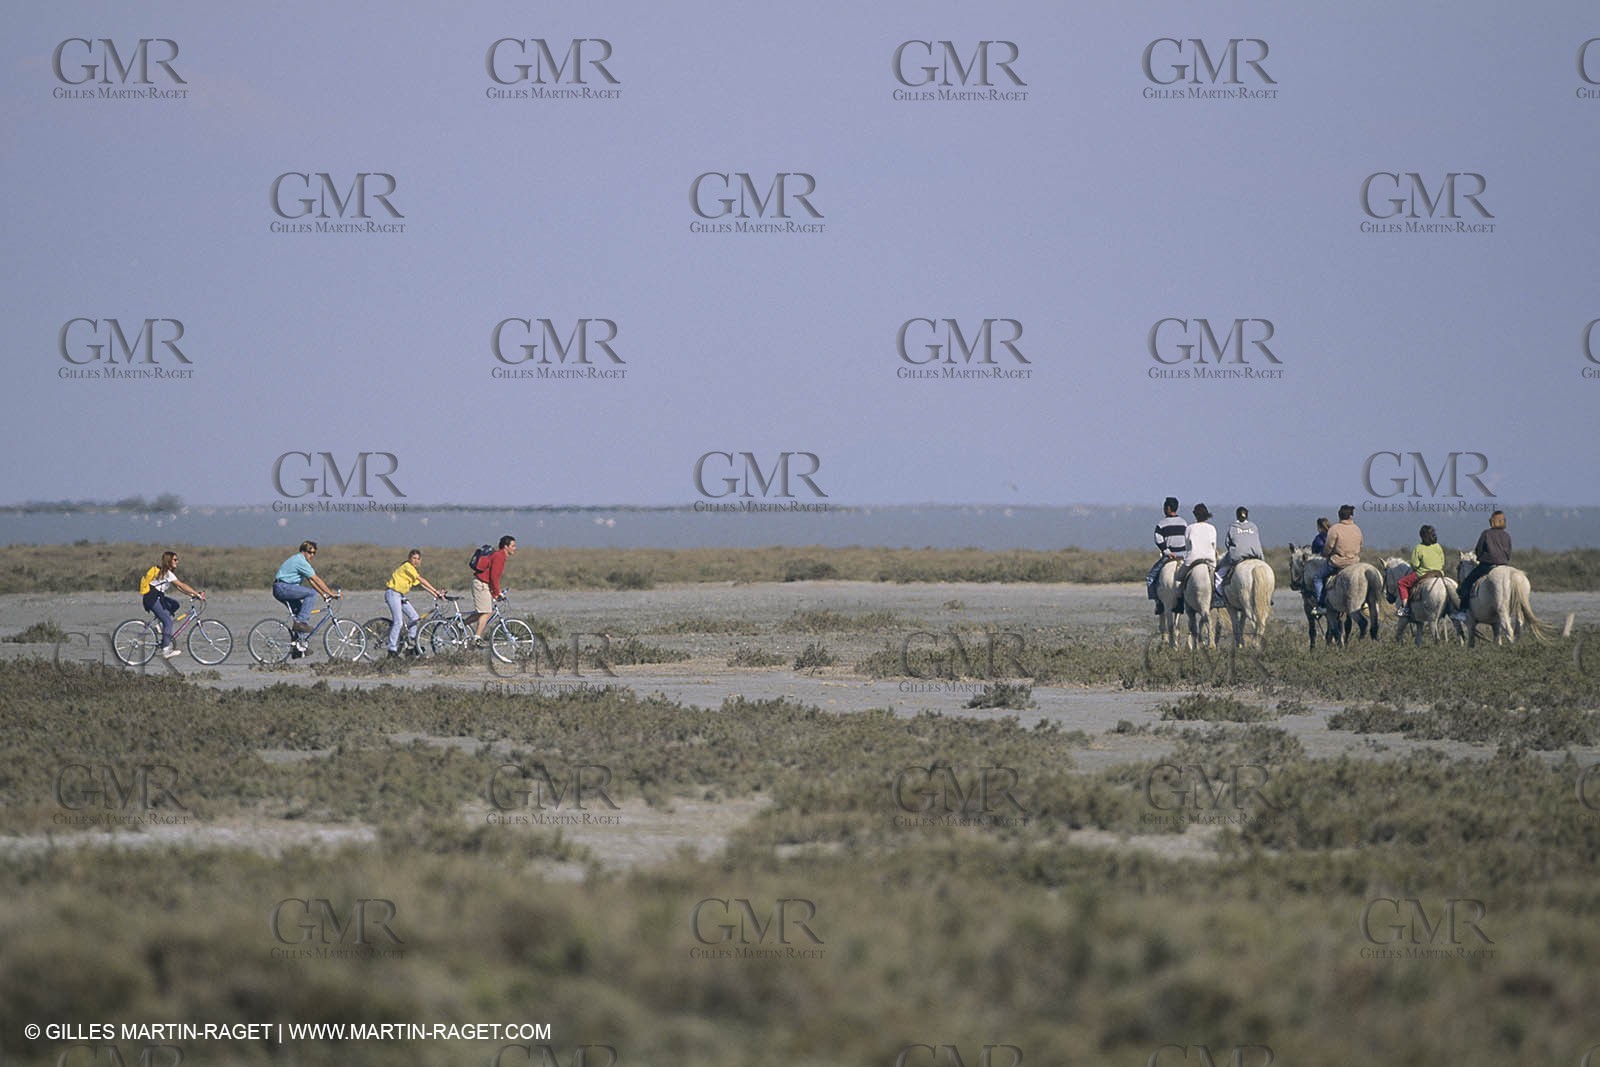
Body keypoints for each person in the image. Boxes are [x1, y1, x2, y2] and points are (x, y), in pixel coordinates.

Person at [273, 540, 340, 657]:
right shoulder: (300, 561)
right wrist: (331, 593)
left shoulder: (302, 562)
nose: (312, 555)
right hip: (283, 587)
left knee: (299, 613)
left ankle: (298, 648)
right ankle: (302, 624)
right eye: (310, 552)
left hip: (284, 588)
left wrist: (323, 595)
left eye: (314, 553)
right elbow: (316, 579)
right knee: (311, 595)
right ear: (303, 551)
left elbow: (311, 581)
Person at [140, 550, 205, 659]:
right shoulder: (167, 573)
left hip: (157, 597)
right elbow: (182, 585)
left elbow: (179, 588)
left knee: (175, 605)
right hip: (152, 598)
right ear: (169, 561)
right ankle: (166, 650)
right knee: (168, 621)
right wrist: (197, 594)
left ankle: (159, 625)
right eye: (175, 559)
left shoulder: (167, 573)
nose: (177, 561)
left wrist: (192, 595)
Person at [385, 549, 447, 657]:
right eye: (414, 558)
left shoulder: (412, 570)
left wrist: (436, 594)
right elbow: (422, 580)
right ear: (409, 558)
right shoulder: (407, 566)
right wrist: (436, 590)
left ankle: (410, 645)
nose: (416, 561)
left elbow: (421, 585)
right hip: (393, 593)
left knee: (415, 617)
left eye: (418, 559)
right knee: (398, 622)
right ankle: (392, 649)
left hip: (400, 596)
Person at [1455, 511, 1511, 621]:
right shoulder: (1507, 535)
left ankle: (1462, 611)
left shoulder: (1486, 533)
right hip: (1503, 566)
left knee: (1467, 582)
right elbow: (1509, 553)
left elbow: (1478, 550)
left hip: (1487, 565)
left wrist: (1481, 558)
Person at [1313, 505, 1363, 615]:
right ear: (1350, 516)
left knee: (1317, 577)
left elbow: (1328, 547)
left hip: (1338, 563)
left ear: (1339, 515)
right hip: (1354, 563)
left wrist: (1325, 554)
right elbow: (1360, 546)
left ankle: (1321, 605)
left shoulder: (1334, 529)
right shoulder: (1357, 529)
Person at [469, 535, 517, 641]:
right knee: (487, 612)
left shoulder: (499, 556)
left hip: (483, 584)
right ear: (506, 546)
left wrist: (496, 592)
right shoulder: (499, 556)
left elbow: (493, 577)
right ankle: (476, 638)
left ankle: (461, 625)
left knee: (482, 612)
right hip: (481, 584)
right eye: (513, 546)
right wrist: (497, 593)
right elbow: (494, 577)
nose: (515, 548)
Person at [1147, 496, 1188, 615]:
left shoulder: (1162, 524)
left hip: (1170, 556)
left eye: (1165, 507)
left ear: (1168, 508)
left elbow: (1158, 539)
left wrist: (1167, 551)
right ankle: (1182, 600)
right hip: (1183, 556)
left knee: (1150, 578)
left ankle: (1158, 603)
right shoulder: (1184, 523)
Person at [1215, 506, 1263, 607]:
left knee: (1219, 575)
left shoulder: (1233, 527)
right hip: (1256, 556)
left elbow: (1227, 544)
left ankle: (1219, 598)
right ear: (1247, 515)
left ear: (1237, 515)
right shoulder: (1254, 526)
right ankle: (1268, 597)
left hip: (1238, 558)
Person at [1395, 524, 1445, 618]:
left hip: (1423, 573)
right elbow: (1442, 561)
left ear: (1422, 536)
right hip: (1439, 573)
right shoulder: (1438, 546)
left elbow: (1415, 565)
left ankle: (1405, 608)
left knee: (1401, 583)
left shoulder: (1418, 548)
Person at [1175, 503, 1218, 606]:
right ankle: (1218, 598)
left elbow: (1187, 546)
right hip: (1209, 560)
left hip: (1192, 560)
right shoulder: (1212, 528)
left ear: (1195, 515)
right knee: (1218, 582)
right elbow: (1214, 546)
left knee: (1178, 578)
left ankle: (1179, 598)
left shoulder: (1190, 528)